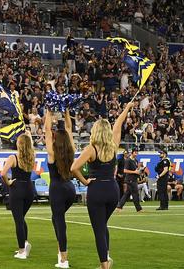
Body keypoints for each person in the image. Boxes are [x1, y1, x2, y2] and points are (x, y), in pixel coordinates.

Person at [71, 100, 134, 269]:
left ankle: (104, 265)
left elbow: (74, 168)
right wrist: (126, 108)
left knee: (98, 230)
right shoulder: (113, 145)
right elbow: (119, 124)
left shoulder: (91, 148)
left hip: (97, 190)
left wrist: (84, 181)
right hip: (113, 190)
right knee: (102, 225)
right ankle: (107, 257)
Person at [44, 109, 76, 268]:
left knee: (60, 221)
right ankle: (60, 251)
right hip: (70, 189)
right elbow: (69, 129)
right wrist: (67, 112)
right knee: (55, 218)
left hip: (57, 190)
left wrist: (49, 112)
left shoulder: (52, 152)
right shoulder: (72, 150)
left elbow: (46, 131)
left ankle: (64, 259)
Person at [1, 133, 36, 260]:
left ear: (19, 144)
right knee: (21, 218)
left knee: (19, 221)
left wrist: (9, 182)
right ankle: (25, 243)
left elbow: (3, 173)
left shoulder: (13, 157)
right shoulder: (33, 155)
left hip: (17, 189)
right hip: (29, 189)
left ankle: (22, 251)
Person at [116, 148, 143, 213]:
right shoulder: (128, 160)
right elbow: (125, 170)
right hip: (130, 179)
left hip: (134, 179)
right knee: (135, 194)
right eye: (135, 152)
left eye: (137, 152)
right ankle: (139, 209)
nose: (136, 154)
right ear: (132, 153)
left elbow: (136, 170)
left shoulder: (136, 160)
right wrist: (135, 172)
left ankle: (119, 207)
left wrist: (139, 170)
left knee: (127, 194)